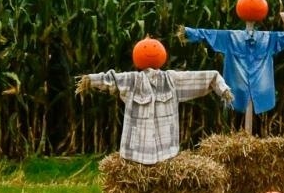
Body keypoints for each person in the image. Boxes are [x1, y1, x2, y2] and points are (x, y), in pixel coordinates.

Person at [79, 39, 233, 164]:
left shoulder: (170, 80)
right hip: (137, 152)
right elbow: (111, 79)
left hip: (165, 151)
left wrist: (221, 88)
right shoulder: (132, 80)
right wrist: (91, 80)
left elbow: (205, 77)